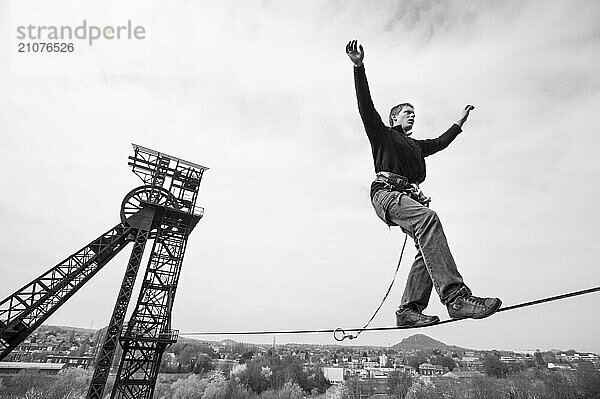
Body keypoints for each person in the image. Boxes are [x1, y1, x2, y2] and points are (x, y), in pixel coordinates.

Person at [345, 40, 502, 327]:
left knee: (426, 248)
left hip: (404, 197)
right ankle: (456, 298)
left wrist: (460, 121)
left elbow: (441, 142)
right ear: (394, 117)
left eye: (414, 111)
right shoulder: (382, 134)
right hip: (386, 194)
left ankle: (408, 311)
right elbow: (366, 106)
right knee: (429, 221)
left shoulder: (416, 146)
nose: (412, 114)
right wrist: (359, 67)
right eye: (407, 111)